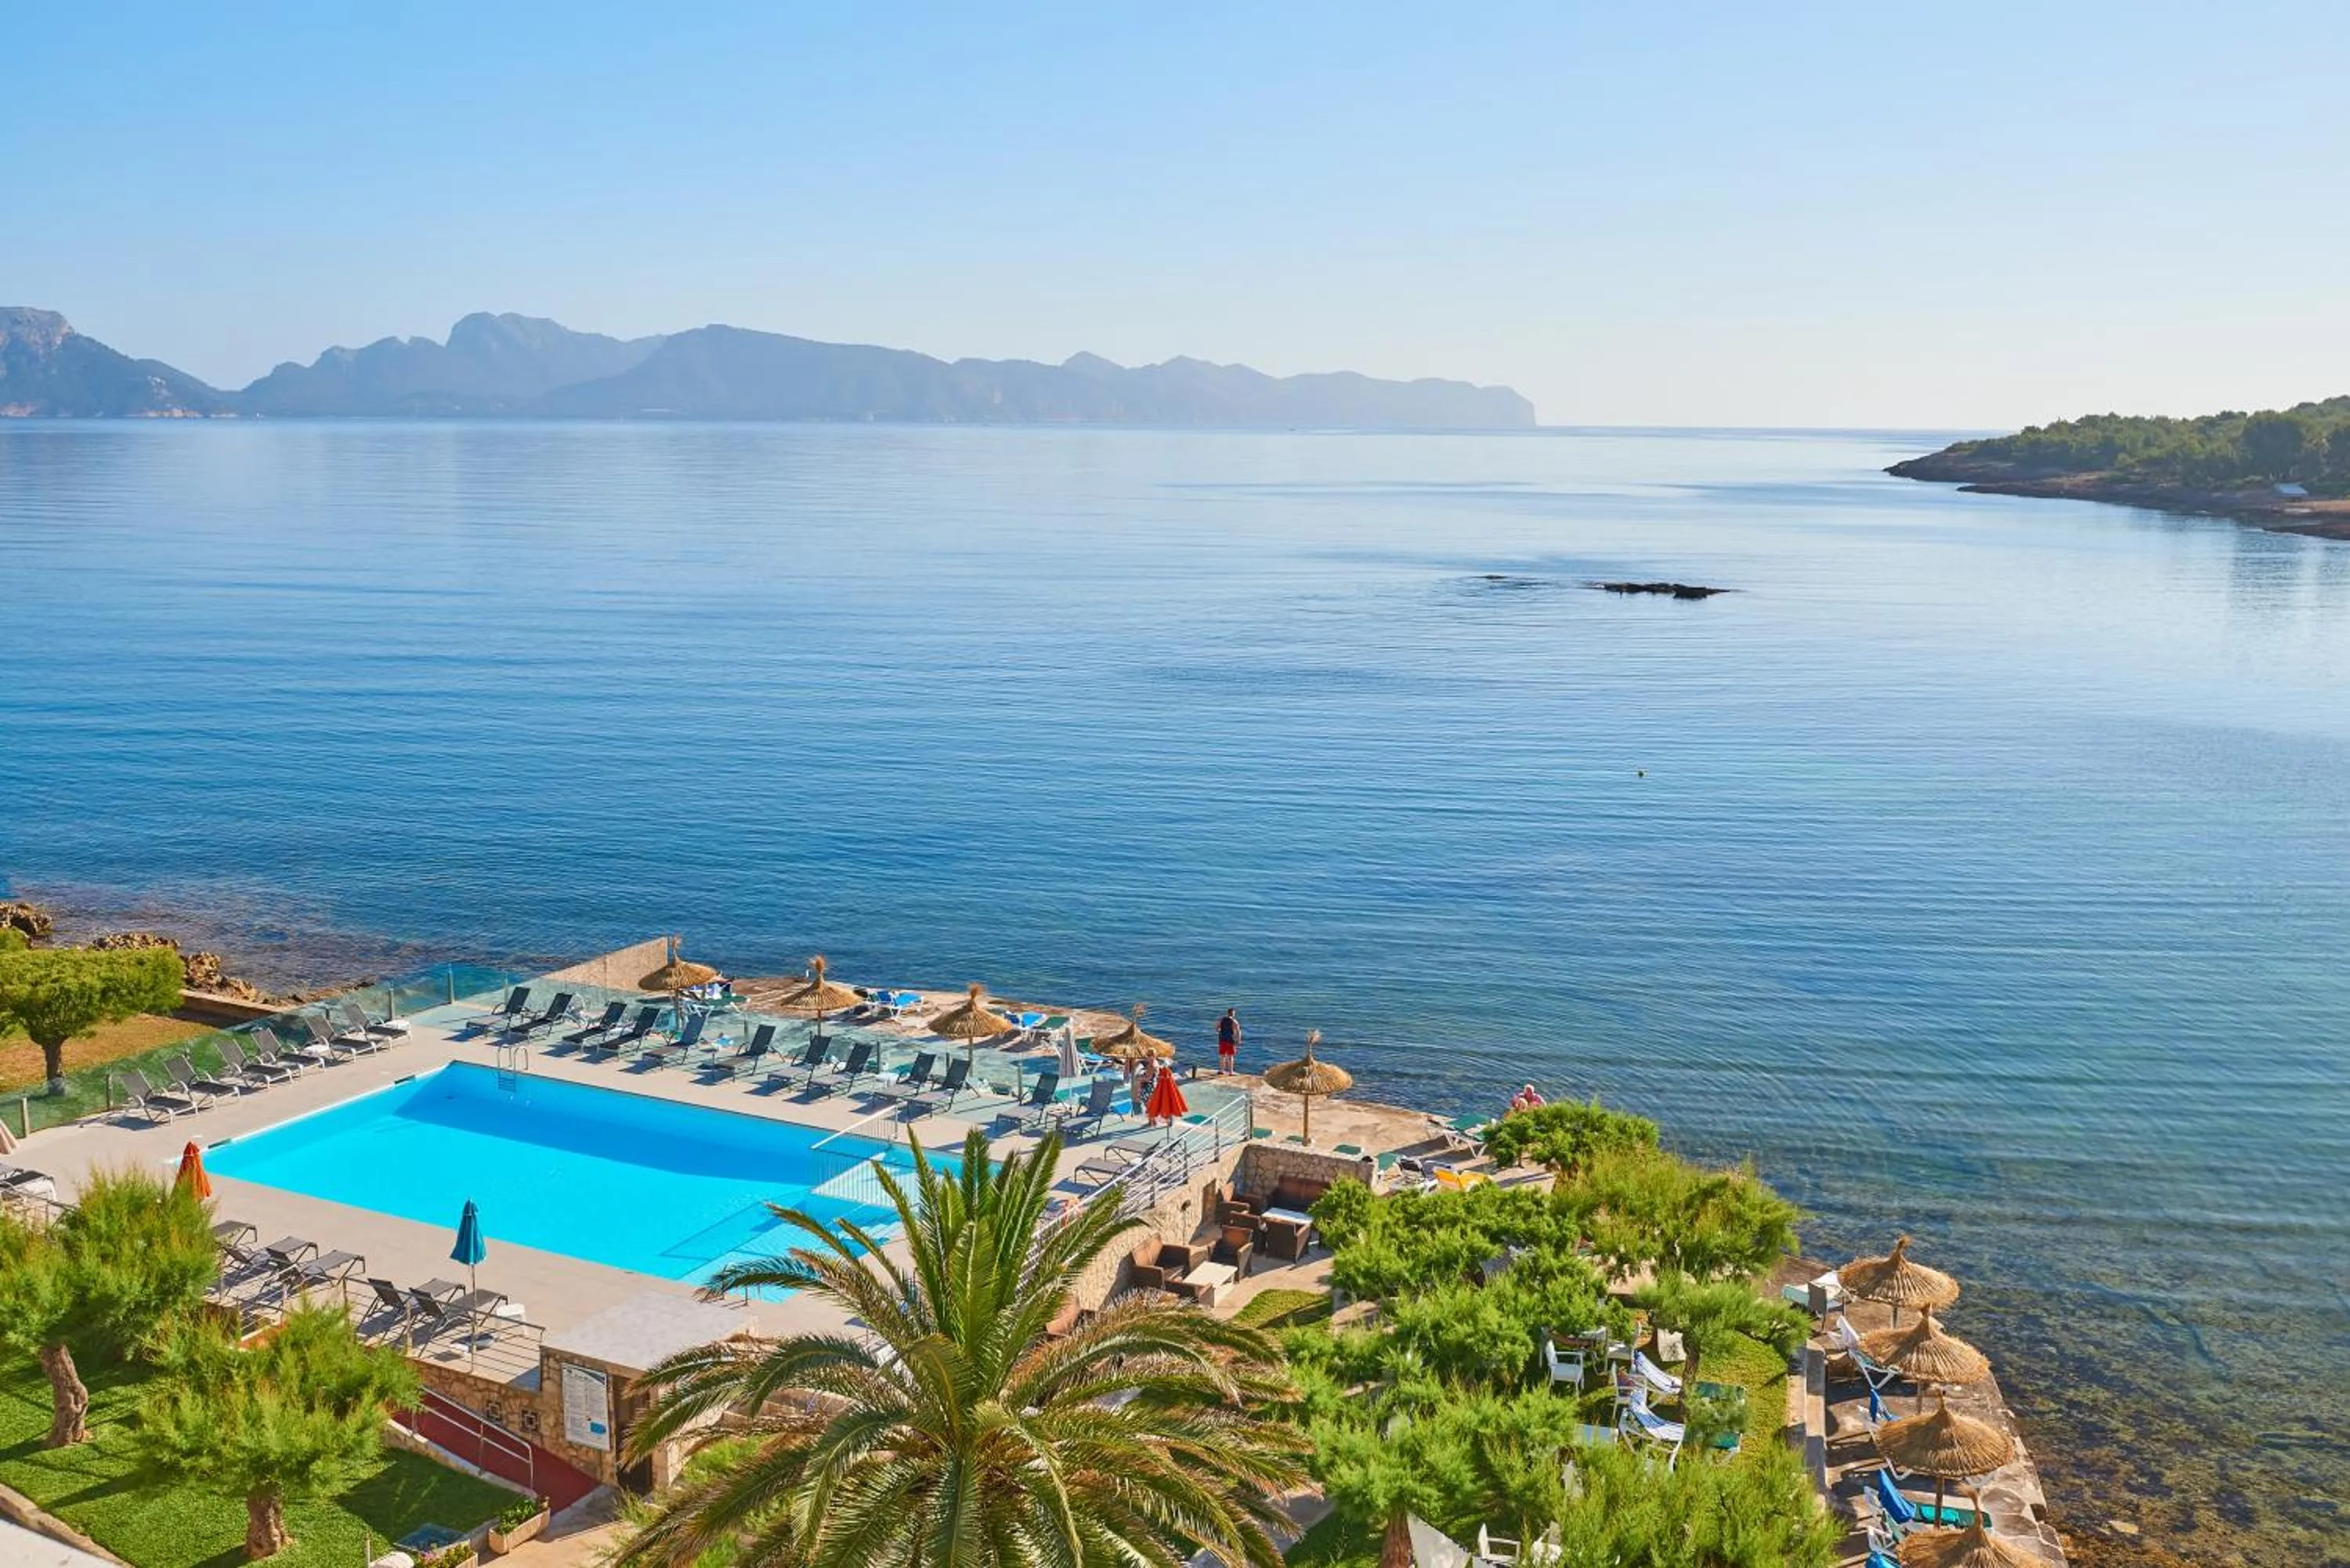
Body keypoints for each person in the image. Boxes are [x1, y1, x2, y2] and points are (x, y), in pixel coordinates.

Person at [1217, 1007, 1242, 1075]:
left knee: (1222, 1056)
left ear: (1227, 1013)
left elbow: (1216, 1028)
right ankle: (1231, 1072)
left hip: (1222, 1039)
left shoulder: (1222, 1020)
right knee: (1230, 1056)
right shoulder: (1234, 1021)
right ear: (1233, 1014)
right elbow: (1238, 1031)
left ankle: (1222, 1070)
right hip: (1230, 1040)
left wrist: (1221, 1032)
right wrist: (1238, 1040)